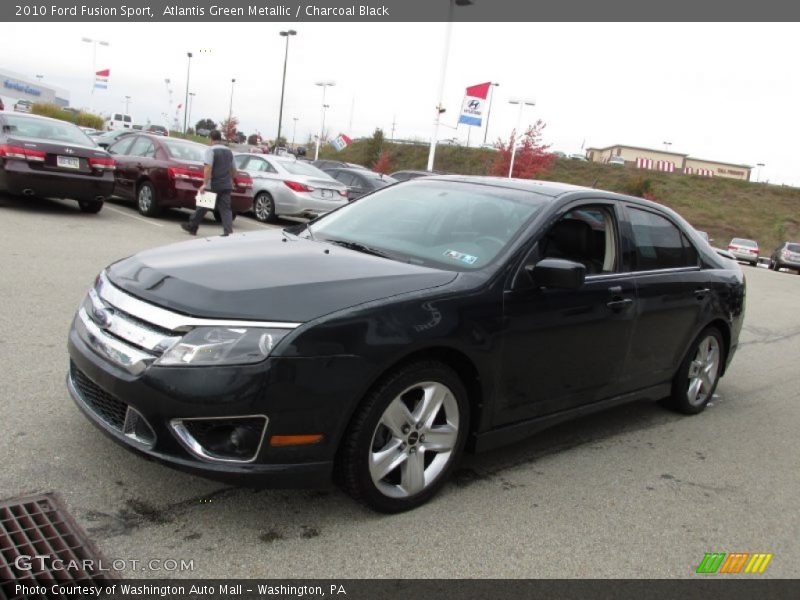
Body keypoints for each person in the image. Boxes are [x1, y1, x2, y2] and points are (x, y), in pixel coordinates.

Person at [181, 129, 236, 236]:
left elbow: (208, 167)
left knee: (202, 206)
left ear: (211, 139)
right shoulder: (229, 151)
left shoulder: (211, 150)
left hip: (213, 184)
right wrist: (231, 180)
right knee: (226, 210)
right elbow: (233, 170)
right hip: (226, 185)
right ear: (220, 139)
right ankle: (228, 232)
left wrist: (205, 183)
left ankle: (192, 226)